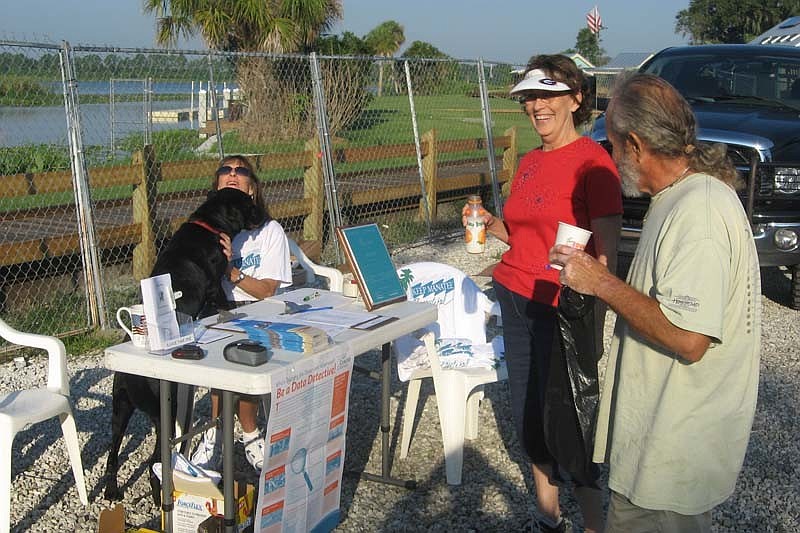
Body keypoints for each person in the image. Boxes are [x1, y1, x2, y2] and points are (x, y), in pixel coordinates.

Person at [549, 73, 761, 532]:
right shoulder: (680, 196)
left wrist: (602, 283)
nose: (611, 155)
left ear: (637, 145)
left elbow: (689, 338)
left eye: (613, 144)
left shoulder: (698, 212)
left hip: (671, 450)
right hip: (661, 444)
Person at [465, 55, 622, 533]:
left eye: (548, 95)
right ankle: (548, 517)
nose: (537, 106)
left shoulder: (595, 164)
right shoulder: (531, 161)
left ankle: (593, 524)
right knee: (529, 410)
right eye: (530, 97)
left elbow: (605, 259)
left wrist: (587, 302)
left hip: (562, 308)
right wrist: (490, 225)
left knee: (573, 418)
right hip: (515, 294)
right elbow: (523, 236)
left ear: (577, 99)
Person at [191, 154, 293, 472]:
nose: (232, 174)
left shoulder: (268, 231)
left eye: (241, 171)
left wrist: (232, 272)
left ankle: (247, 434)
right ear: (216, 184)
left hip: (259, 311)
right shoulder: (204, 227)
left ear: (252, 188)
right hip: (215, 310)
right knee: (217, 351)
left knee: (240, 355)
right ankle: (217, 435)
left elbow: (267, 291)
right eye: (225, 169)